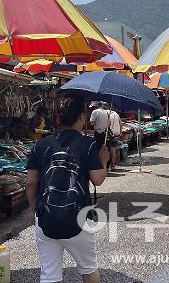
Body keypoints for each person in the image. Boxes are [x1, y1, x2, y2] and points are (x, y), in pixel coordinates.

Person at [26, 97, 109, 283]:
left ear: (58, 118)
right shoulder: (88, 145)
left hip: (45, 216)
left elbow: (31, 182)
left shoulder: (40, 145)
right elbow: (98, 179)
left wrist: (32, 209)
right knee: (88, 270)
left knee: (49, 274)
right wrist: (104, 160)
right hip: (78, 218)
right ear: (81, 117)